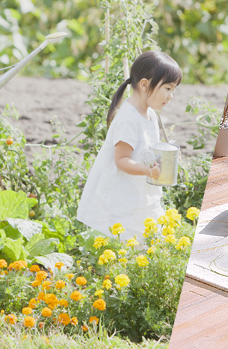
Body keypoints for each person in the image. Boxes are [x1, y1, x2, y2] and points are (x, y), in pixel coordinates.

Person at [76, 51, 182, 242]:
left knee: (145, 240)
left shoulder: (150, 114)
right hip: (122, 198)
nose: (171, 96)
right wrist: (148, 171)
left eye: (173, 90)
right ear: (144, 84)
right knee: (126, 243)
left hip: (140, 193)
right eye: (167, 88)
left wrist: (167, 158)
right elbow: (121, 160)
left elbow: (147, 150)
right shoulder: (128, 118)